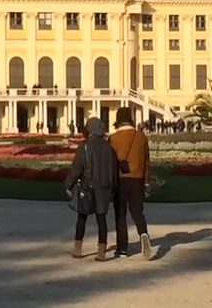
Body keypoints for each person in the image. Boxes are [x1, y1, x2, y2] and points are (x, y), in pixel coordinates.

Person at [65, 117, 118, 261]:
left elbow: (77, 168)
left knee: (82, 217)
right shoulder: (109, 147)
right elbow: (114, 170)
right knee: (101, 218)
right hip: (104, 187)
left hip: (88, 186)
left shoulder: (85, 146)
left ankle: (78, 248)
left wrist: (69, 184)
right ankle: (101, 251)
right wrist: (113, 187)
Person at [109, 106, 152, 260]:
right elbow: (147, 162)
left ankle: (122, 249)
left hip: (120, 180)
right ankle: (144, 234)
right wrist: (146, 182)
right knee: (137, 212)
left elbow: (111, 163)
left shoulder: (114, 138)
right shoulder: (141, 137)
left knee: (120, 214)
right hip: (138, 179)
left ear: (118, 120)